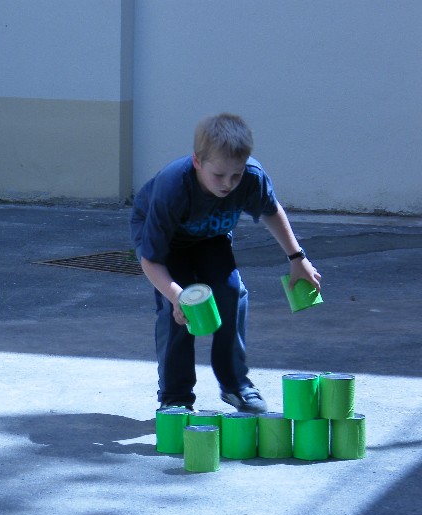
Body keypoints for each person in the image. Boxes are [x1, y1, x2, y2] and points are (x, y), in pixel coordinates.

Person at [130, 113, 321, 413]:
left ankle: (235, 385)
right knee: (178, 313)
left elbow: (271, 210)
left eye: (236, 174)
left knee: (231, 293)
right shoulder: (172, 189)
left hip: (211, 236)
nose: (228, 184)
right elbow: (151, 260)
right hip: (168, 243)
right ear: (197, 162)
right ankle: (175, 396)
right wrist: (177, 296)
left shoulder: (251, 178)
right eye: (219, 175)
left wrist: (298, 258)